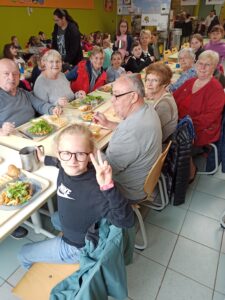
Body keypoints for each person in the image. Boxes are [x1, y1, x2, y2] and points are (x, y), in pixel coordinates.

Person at [18, 124, 134, 269]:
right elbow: (58, 163)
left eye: (80, 154)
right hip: (77, 228)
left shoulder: (96, 188)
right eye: (66, 153)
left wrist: (108, 187)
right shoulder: (64, 164)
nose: (72, 161)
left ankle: (39, 278)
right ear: (58, 153)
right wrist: (43, 158)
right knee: (55, 217)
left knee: (23, 252)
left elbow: (126, 221)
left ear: (90, 154)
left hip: (78, 246)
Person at [94, 74, 162, 201]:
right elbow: (132, 133)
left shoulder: (130, 132)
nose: (112, 100)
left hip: (128, 190)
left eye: (117, 95)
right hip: (144, 179)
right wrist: (109, 124)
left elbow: (108, 169)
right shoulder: (148, 109)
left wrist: (90, 147)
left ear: (133, 97)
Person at [173, 50, 225, 180]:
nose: (202, 67)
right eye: (200, 63)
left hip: (202, 129)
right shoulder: (190, 82)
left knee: (173, 141)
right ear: (196, 64)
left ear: (214, 68)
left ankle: (190, 170)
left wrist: (183, 127)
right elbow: (173, 98)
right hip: (181, 123)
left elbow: (209, 118)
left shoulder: (216, 89)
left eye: (207, 65)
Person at [0, 58, 61, 135]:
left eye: (15, 74)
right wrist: (2, 131)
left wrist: (52, 109)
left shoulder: (23, 93)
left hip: (35, 132)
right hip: (12, 138)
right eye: (6, 73)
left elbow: (40, 105)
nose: (12, 78)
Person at [145, 62, 178, 142]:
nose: (149, 84)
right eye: (148, 80)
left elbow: (147, 132)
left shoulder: (164, 105)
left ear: (164, 84)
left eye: (154, 80)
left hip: (158, 146)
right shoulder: (163, 96)